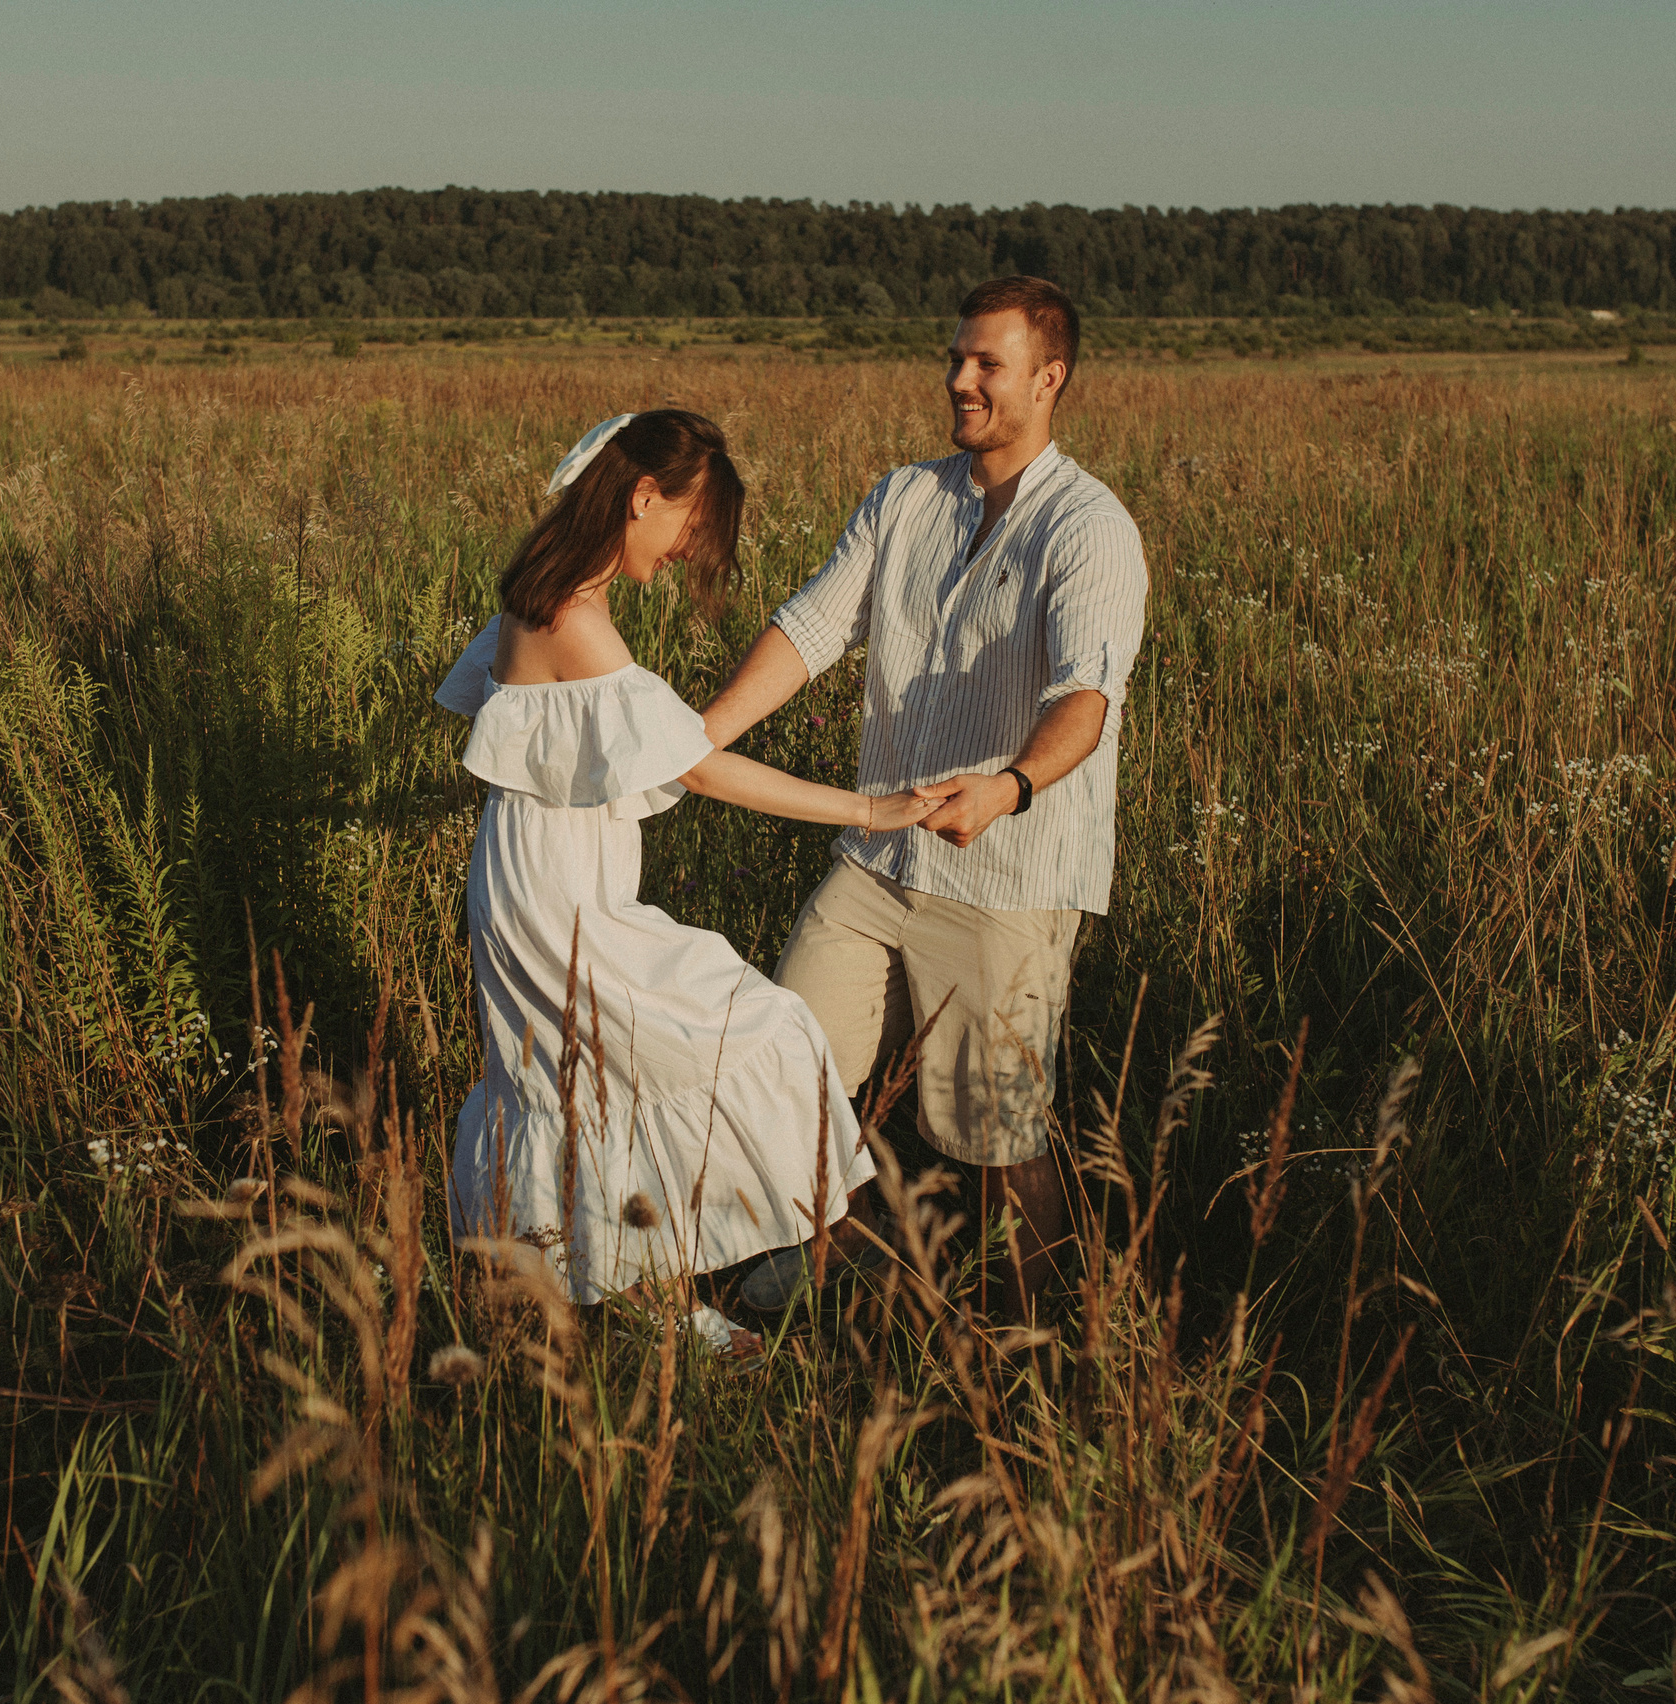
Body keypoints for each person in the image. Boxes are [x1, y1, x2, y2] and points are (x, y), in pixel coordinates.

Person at [434, 408, 940, 1351]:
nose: (688, 548)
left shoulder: (545, 594)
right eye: (689, 525)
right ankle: (783, 1259)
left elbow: (514, 725)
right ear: (641, 497)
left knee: (605, 1080)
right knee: (757, 1032)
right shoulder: (573, 619)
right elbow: (697, 765)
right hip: (560, 893)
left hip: (536, 873)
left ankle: (664, 1310)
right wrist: (871, 809)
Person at [702, 276, 1149, 1322]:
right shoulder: (905, 496)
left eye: (984, 363)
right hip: (880, 862)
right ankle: (845, 1252)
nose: (958, 379)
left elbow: (1087, 699)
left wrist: (1007, 785)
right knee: (782, 1070)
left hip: (1007, 879)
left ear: (1049, 380)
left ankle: (1029, 1348)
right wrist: (700, 737)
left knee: (995, 1135)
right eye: (954, 359)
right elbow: (814, 626)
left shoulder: (1089, 529)